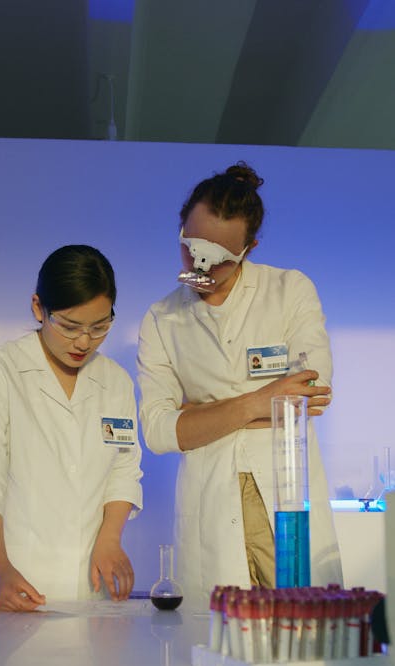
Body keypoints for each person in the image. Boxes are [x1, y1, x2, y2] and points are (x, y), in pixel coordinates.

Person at [137, 161, 343, 605]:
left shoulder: (289, 290)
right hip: (212, 507)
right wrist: (260, 401)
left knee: (302, 641)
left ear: (248, 249)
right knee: (214, 656)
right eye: (191, 249)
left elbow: (310, 391)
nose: (201, 266)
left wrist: (198, 416)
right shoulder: (161, 318)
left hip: (285, 494)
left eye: (220, 259)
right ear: (180, 231)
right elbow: (157, 432)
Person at [0, 244, 143, 611]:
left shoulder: (116, 381)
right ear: (38, 308)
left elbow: (124, 468)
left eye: (100, 326)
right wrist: (1, 570)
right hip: (13, 578)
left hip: (88, 585)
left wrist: (110, 539)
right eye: (70, 326)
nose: (84, 342)